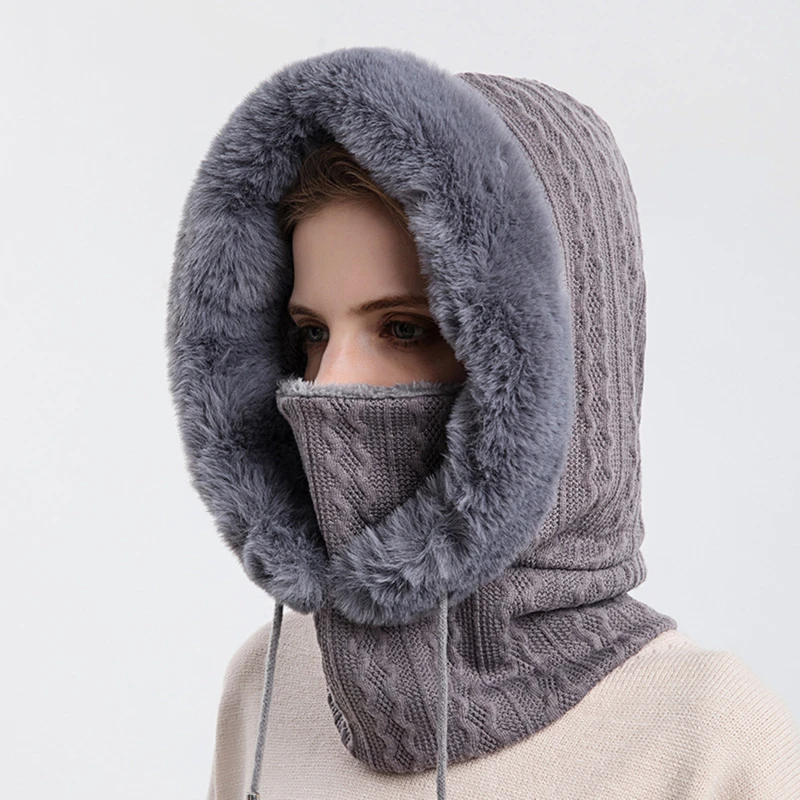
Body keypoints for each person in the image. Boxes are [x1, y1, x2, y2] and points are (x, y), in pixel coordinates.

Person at [165, 46, 800, 800]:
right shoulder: (269, 687)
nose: (327, 383)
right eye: (311, 333)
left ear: (559, 365)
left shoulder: (709, 738)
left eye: (404, 329)